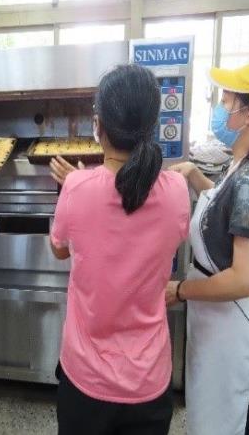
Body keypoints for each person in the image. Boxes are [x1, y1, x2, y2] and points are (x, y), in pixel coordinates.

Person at [50, 64, 190, 435]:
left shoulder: (77, 188)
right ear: (153, 123)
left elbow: (60, 250)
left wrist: (76, 185)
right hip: (149, 380)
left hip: (86, 380)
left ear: (98, 125)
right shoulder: (176, 192)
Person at [166, 60, 249, 435]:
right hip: (217, 318)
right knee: (224, 417)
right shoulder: (245, 161)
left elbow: (247, 278)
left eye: (228, 98)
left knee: (218, 425)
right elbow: (225, 210)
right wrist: (196, 176)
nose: (221, 105)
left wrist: (182, 290)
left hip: (231, 324)